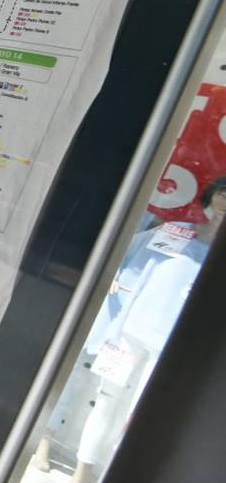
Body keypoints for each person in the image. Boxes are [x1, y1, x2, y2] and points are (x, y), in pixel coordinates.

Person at [31, 177, 225, 482]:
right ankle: (81, 468)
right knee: (105, 400)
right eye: (222, 194)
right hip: (131, 330)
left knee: (143, 414)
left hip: (173, 347)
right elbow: (133, 267)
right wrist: (112, 317)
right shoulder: (177, 234)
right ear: (210, 198)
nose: (224, 203)